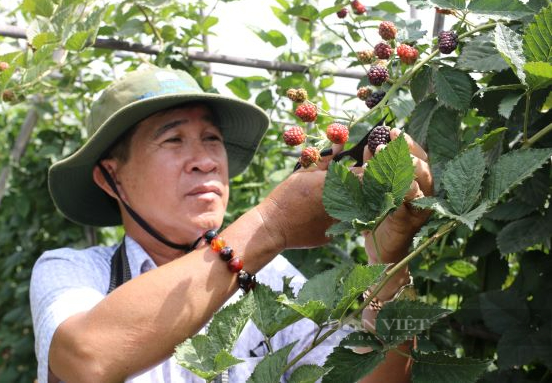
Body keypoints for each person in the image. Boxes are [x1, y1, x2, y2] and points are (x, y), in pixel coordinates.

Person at [30, 65, 433, 383]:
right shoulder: (74, 272)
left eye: (211, 139)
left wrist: (390, 269)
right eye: (173, 140)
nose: (204, 160)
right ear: (110, 177)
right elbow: (88, 359)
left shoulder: (267, 278)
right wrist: (270, 223)